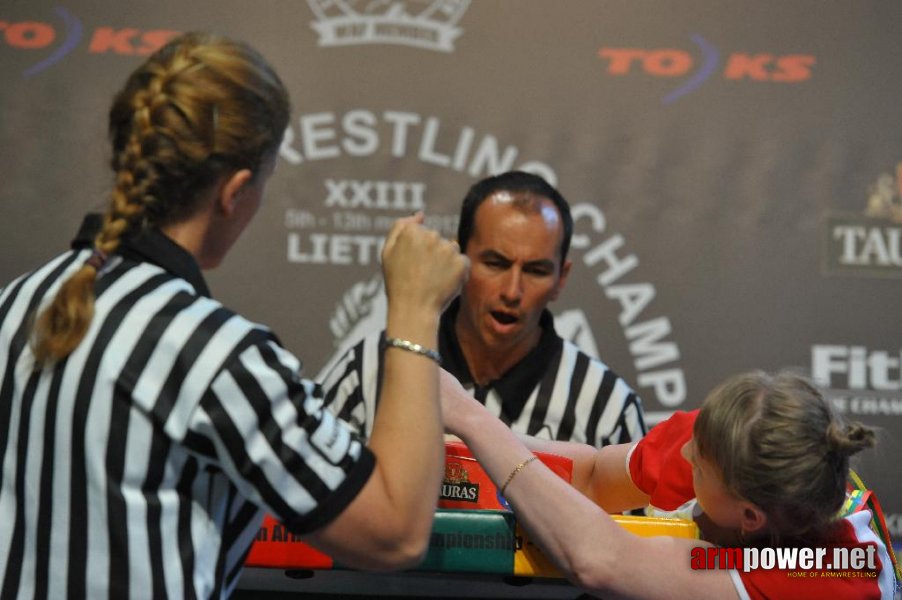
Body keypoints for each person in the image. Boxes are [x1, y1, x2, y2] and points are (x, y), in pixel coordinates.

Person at [0, 32, 468, 598]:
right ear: (236, 190)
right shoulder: (214, 355)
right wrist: (416, 310)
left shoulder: (16, 302)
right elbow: (395, 533)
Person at [440, 369, 899, 599]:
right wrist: (460, 443)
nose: (682, 457)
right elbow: (595, 477)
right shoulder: (726, 440)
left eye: (698, 468)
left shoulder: (834, 570)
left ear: (750, 517)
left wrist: (469, 417)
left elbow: (599, 560)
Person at [319, 170, 646, 447]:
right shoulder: (369, 368)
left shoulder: (607, 407)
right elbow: (306, 506)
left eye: (536, 271)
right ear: (457, 261)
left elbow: (631, 526)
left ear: (561, 278)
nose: (512, 291)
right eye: (494, 263)